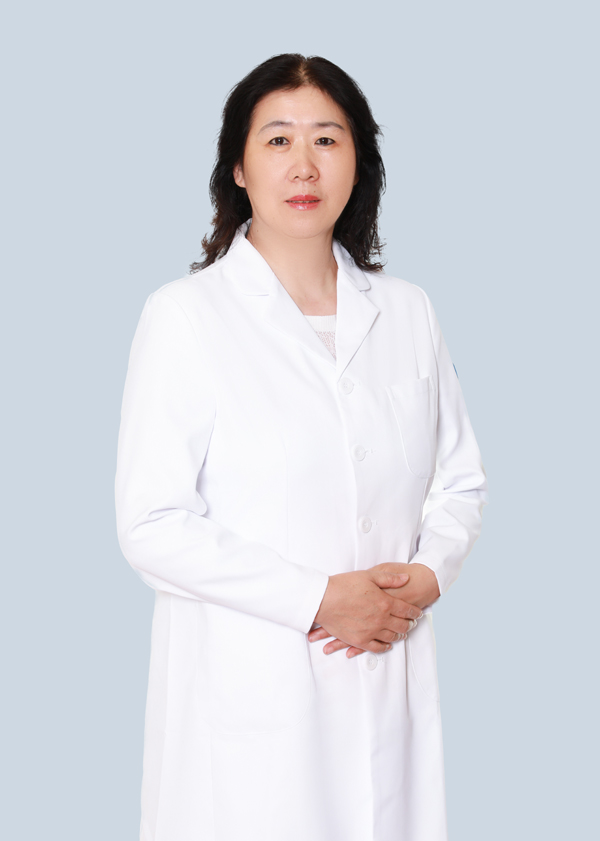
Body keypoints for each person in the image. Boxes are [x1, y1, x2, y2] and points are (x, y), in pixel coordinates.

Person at [115, 53, 488, 841]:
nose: (305, 165)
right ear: (238, 168)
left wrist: (426, 575)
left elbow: (459, 481)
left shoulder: (408, 311)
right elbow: (150, 523)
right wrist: (318, 598)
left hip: (388, 677)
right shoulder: (186, 316)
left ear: (360, 162)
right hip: (248, 701)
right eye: (278, 140)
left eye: (328, 138)